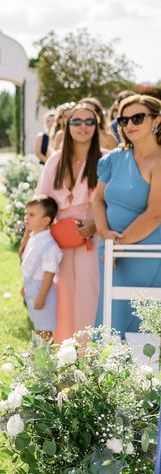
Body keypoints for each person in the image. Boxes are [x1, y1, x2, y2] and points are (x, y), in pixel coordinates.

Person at [23, 102, 103, 343]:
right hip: (59, 240)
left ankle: (90, 356)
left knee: (90, 294)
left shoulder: (106, 160)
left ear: (96, 126)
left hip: (92, 236)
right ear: (67, 126)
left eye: (89, 121)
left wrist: (95, 224)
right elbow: (41, 202)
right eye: (76, 121)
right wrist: (28, 239)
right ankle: (65, 355)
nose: (83, 126)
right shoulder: (55, 161)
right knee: (63, 295)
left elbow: (113, 202)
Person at [93, 94, 161, 336]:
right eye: (123, 120)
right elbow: (98, 199)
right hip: (111, 250)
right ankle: (110, 373)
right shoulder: (112, 159)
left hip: (147, 252)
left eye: (138, 118)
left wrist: (119, 244)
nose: (129, 125)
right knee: (112, 317)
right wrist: (104, 234)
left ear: (156, 120)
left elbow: (156, 213)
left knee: (145, 324)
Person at [20, 195, 62, 341]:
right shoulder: (34, 238)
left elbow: (49, 274)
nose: (26, 217)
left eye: (31, 215)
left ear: (46, 221)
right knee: (38, 325)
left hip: (42, 291)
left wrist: (42, 296)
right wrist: (24, 286)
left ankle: (43, 359)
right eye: (26, 213)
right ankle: (39, 357)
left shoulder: (49, 246)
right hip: (32, 288)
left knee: (44, 329)